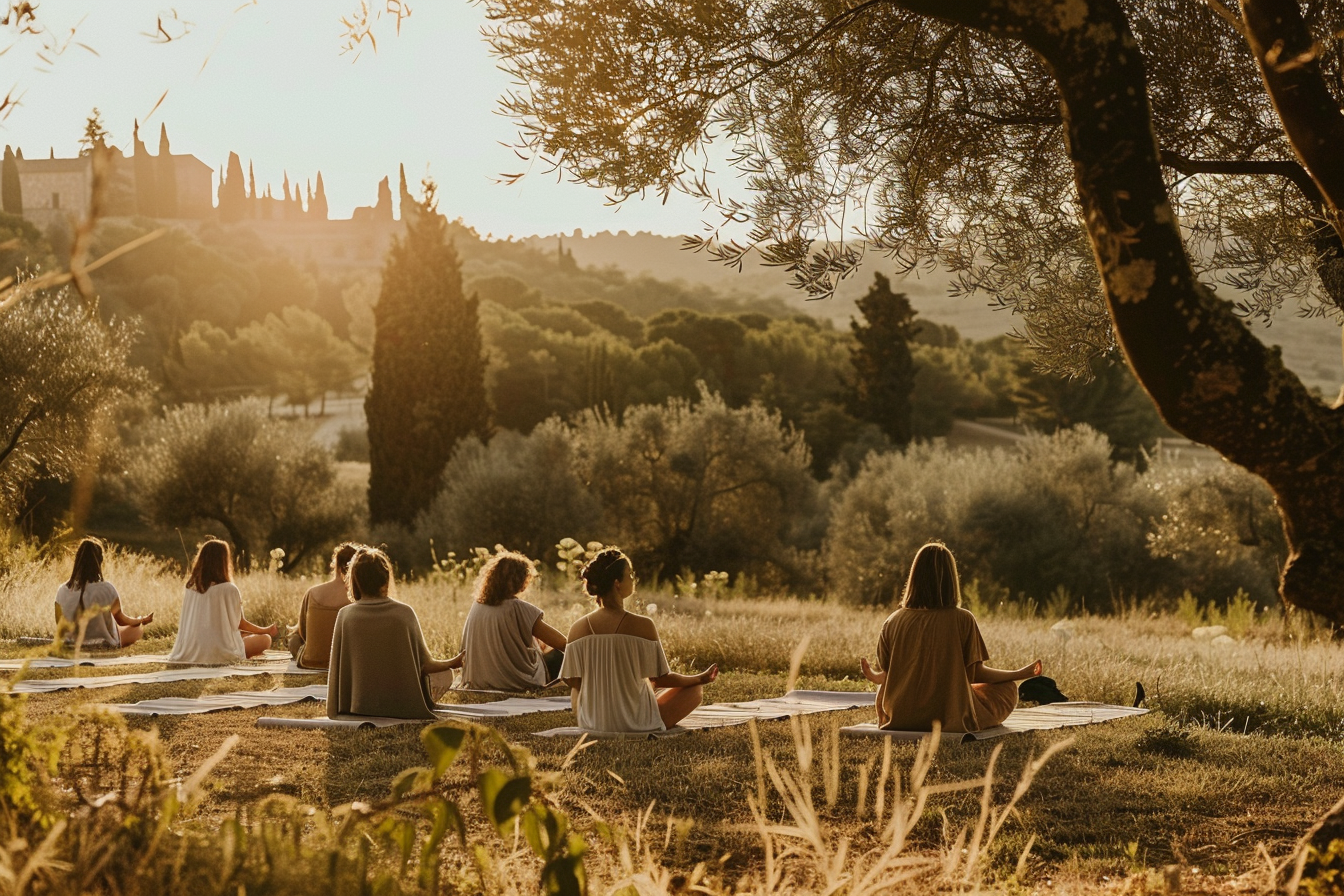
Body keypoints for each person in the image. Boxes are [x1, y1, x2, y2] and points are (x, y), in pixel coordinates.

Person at [859, 542, 1042, 733]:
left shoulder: (893, 621)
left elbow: (890, 677)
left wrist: (874, 676)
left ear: (914, 577)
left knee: (884, 691)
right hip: (950, 717)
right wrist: (1020, 674)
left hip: (901, 717)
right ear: (951, 579)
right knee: (1008, 688)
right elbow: (975, 675)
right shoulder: (963, 619)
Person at [561, 548, 717, 734]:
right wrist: (699, 678)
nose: (634, 579)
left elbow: (573, 682)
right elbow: (660, 678)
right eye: (630, 574)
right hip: (638, 723)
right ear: (617, 583)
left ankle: (592, 722)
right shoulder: (643, 625)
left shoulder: (577, 628)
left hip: (593, 723)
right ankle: (641, 717)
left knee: (644, 688)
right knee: (694, 690)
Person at [327, 547, 457, 720]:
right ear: (386, 579)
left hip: (356, 705)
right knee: (446, 674)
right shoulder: (404, 613)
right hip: (401, 707)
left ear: (355, 580)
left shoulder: (345, 615)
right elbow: (426, 665)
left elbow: (338, 670)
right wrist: (455, 662)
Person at [445, 551, 567, 690]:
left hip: (478, 681)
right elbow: (562, 643)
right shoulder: (518, 608)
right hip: (516, 682)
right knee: (558, 656)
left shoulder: (477, 606)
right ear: (522, 580)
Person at [167, 538, 278, 664]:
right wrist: (266, 630)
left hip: (189, 648)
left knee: (242, 636)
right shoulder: (229, 589)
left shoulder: (190, 587)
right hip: (219, 652)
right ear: (223, 561)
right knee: (265, 639)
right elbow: (240, 623)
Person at [54, 536, 154, 649]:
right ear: (100, 561)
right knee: (137, 629)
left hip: (71, 644)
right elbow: (121, 620)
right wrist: (141, 620)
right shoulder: (107, 588)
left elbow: (60, 626)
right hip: (102, 644)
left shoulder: (62, 590)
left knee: (118, 628)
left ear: (77, 560)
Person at [286, 542, 360, 670]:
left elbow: (304, 632)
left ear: (335, 564)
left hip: (311, 662)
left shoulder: (313, 592)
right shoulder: (359, 595)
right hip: (345, 663)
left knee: (294, 639)